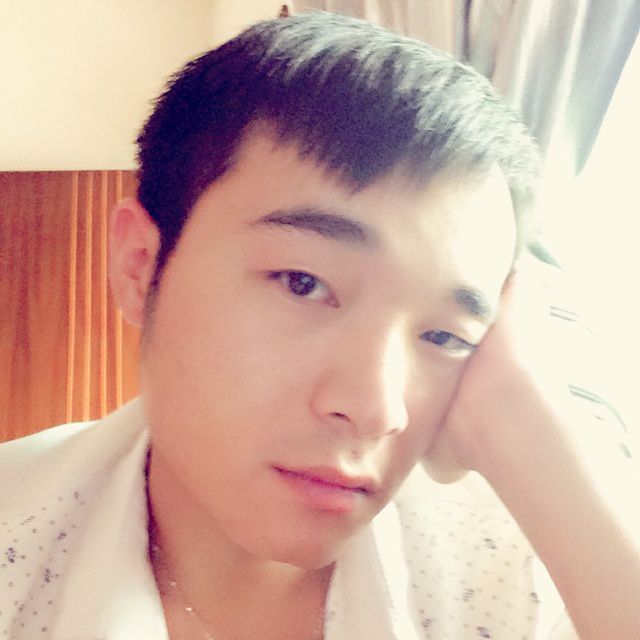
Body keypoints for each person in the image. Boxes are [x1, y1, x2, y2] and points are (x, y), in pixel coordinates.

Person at [1, 11, 638, 640]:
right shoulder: (17, 536)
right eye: (303, 283)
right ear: (139, 267)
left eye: (445, 336)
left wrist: (537, 433)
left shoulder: (522, 578)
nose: (375, 409)